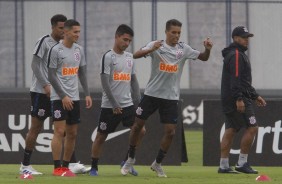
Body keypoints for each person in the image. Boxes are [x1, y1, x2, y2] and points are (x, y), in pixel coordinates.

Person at [121, 19, 213, 177]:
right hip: (151, 94)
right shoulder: (157, 45)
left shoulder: (184, 49)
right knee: (137, 126)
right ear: (166, 32)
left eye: (178, 33)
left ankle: (157, 163)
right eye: (173, 32)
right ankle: (130, 159)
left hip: (171, 97)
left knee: (170, 132)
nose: (176, 35)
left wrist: (207, 49)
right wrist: (150, 49)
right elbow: (135, 55)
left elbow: (204, 57)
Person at [19, 14, 90, 176]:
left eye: (65, 28)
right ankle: (25, 164)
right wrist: (45, 85)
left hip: (61, 92)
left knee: (64, 129)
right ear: (53, 28)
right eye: (60, 28)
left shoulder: (72, 47)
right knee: (36, 127)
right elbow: (35, 65)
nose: (63, 31)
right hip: (42, 91)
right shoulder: (45, 42)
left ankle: (70, 164)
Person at [89, 24, 145, 176]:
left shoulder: (129, 57)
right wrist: (114, 104)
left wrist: (138, 100)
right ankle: (94, 167)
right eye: (124, 39)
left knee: (141, 130)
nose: (126, 43)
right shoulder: (108, 57)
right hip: (109, 106)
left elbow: (133, 80)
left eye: (129, 41)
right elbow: (104, 82)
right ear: (116, 37)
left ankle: (127, 162)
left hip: (127, 105)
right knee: (101, 136)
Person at [218, 26, 266, 174]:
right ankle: (241, 163)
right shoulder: (237, 55)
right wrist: (239, 98)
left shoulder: (235, 54)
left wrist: (255, 95)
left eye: (247, 37)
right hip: (237, 97)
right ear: (235, 38)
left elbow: (243, 82)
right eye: (244, 37)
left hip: (232, 96)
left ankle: (224, 165)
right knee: (252, 127)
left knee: (231, 129)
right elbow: (236, 79)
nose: (247, 40)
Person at [48, 19, 92, 177]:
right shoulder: (55, 50)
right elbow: (51, 76)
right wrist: (63, 96)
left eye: (79, 32)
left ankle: (66, 167)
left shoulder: (79, 50)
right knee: (59, 131)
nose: (78, 35)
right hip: (59, 98)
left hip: (74, 98)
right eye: (75, 32)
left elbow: (81, 72)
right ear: (66, 32)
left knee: (72, 133)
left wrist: (86, 93)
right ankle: (56, 167)